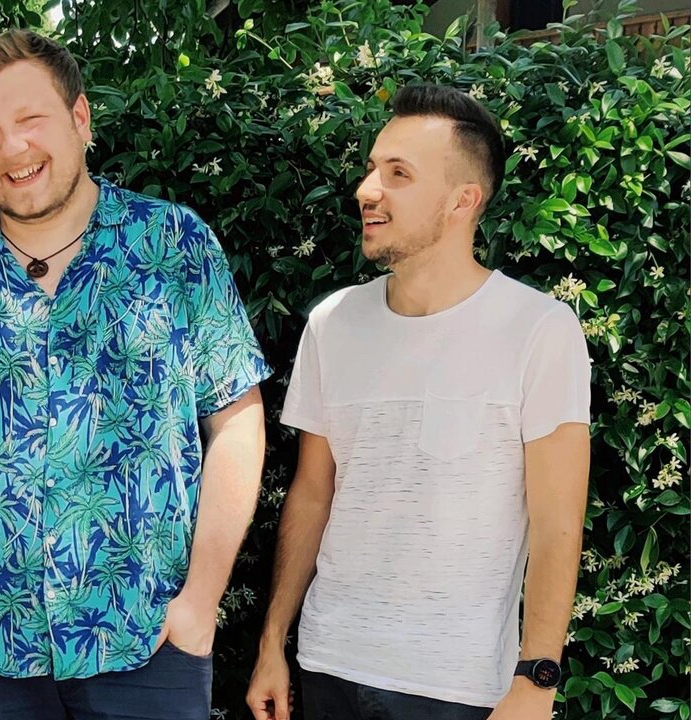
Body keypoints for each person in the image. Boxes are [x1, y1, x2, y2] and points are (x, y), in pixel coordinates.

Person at [0, 29, 270, 720]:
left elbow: (236, 419)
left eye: (30, 119)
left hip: (148, 641)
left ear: (79, 118)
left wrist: (201, 599)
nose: (12, 149)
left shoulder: (174, 245)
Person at [246, 84, 592, 720]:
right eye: (372, 168)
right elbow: (313, 493)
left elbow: (557, 522)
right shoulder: (333, 323)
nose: (367, 189)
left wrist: (536, 680)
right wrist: (273, 644)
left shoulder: (539, 329)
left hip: (455, 686)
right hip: (329, 664)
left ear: (463, 200)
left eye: (398, 174)